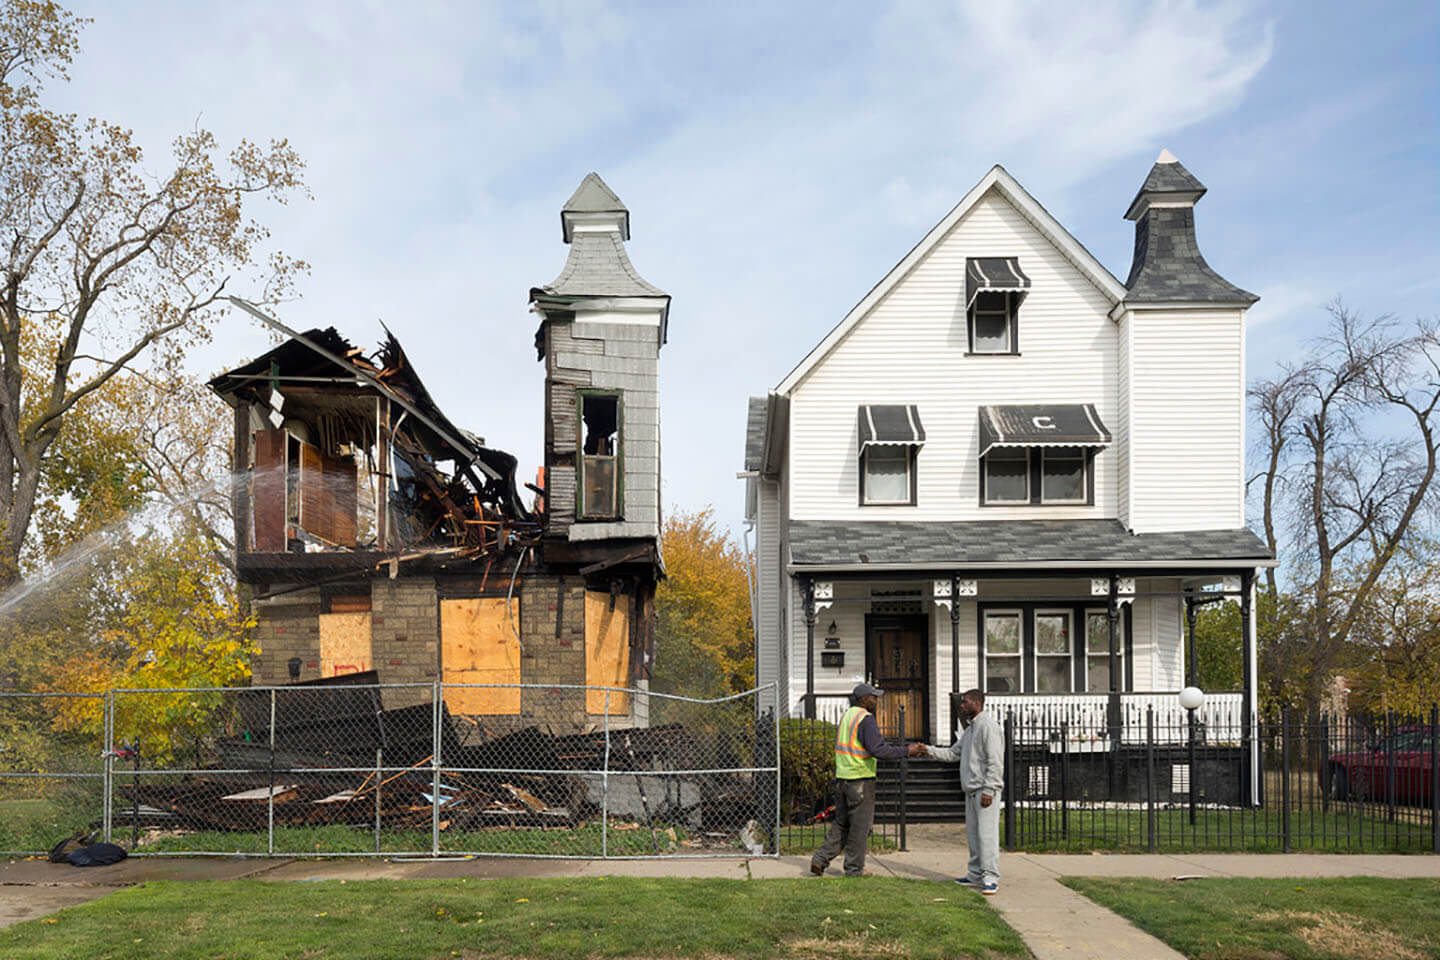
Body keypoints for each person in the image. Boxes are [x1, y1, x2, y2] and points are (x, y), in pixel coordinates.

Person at [810, 682, 924, 877]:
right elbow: (878, 749)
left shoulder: (848, 716)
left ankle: (820, 859)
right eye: (873, 697)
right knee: (860, 828)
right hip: (860, 780)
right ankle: (854, 869)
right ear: (864, 700)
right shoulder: (865, 719)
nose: (876, 700)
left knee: (841, 823)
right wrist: (908, 750)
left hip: (842, 779)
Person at [917, 688, 1003, 894]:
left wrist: (989, 790)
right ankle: (975, 874)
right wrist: (928, 750)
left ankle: (990, 877)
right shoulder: (970, 729)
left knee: (987, 836)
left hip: (984, 790)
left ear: (977, 703)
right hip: (971, 790)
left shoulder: (988, 727)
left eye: (965, 702)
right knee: (974, 836)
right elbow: (953, 753)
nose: (962, 706)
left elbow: (995, 762)